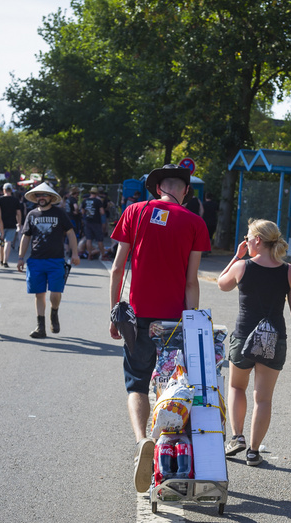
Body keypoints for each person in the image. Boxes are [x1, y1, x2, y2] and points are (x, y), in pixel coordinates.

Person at [108, 164, 210, 492]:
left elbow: (117, 268)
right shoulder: (195, 222)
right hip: (173, 321)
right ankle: (168, 449)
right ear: (184, 191)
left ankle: (142, 442)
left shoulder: (135, 211)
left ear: (156, 188)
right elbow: (191, 281)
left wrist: (115, 312)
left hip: (137, 317)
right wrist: (191, 321)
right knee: (171, 386)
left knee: (137, 383)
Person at [217, 219, 291, 466]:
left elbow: (221, 284)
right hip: (274, 338)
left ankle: (237, 438)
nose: (245, 241)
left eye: (248, 237)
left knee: (236, 387)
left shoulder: (242, 267)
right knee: (263, 398)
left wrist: (236, 257)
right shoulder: (288, 270)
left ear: (257, 240)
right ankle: (254, 452)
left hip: (244, 336)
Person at [17, 183, 80, 338]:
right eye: (38, 195)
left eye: (44, 195)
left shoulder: (60, 213)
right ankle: (40, 327)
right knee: (39, 294)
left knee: (56, 293)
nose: (41, 198)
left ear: (51, 197)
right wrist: (20, 257)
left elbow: (71, 233)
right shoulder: (32, 214)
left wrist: (75, 253)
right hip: (36, 260)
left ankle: (54, 313)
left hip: (56, 260)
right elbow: (26, 237)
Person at [0, 183, 22, 268]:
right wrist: (19, 223)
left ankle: (1, 260)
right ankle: (6, 261)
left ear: (4, 190)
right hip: (12, 223)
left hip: (0, 223)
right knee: (8, 242)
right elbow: (18, 212)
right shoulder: (15, 200)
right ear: (11, 190)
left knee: (1, 242)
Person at [81, 186, 106, 260]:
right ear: (97, 194)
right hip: (96, 222)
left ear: (90, 193)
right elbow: (102, 212)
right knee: (99, 239)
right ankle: (103, 255)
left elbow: (82, 212)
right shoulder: (98, 201)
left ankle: (89, 255)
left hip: (87, 221)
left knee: (89, 239)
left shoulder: (84, 201)